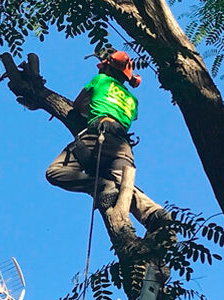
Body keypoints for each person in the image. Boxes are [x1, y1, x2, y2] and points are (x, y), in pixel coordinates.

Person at [46, 50, 168, 232]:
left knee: (55, 172)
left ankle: (101, 185)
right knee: (123, 186)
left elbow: (78, 106)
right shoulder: (133, 100)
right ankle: (154, 213)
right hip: (122, 146)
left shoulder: (100, 80)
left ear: (108, 67)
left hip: (97, 135)